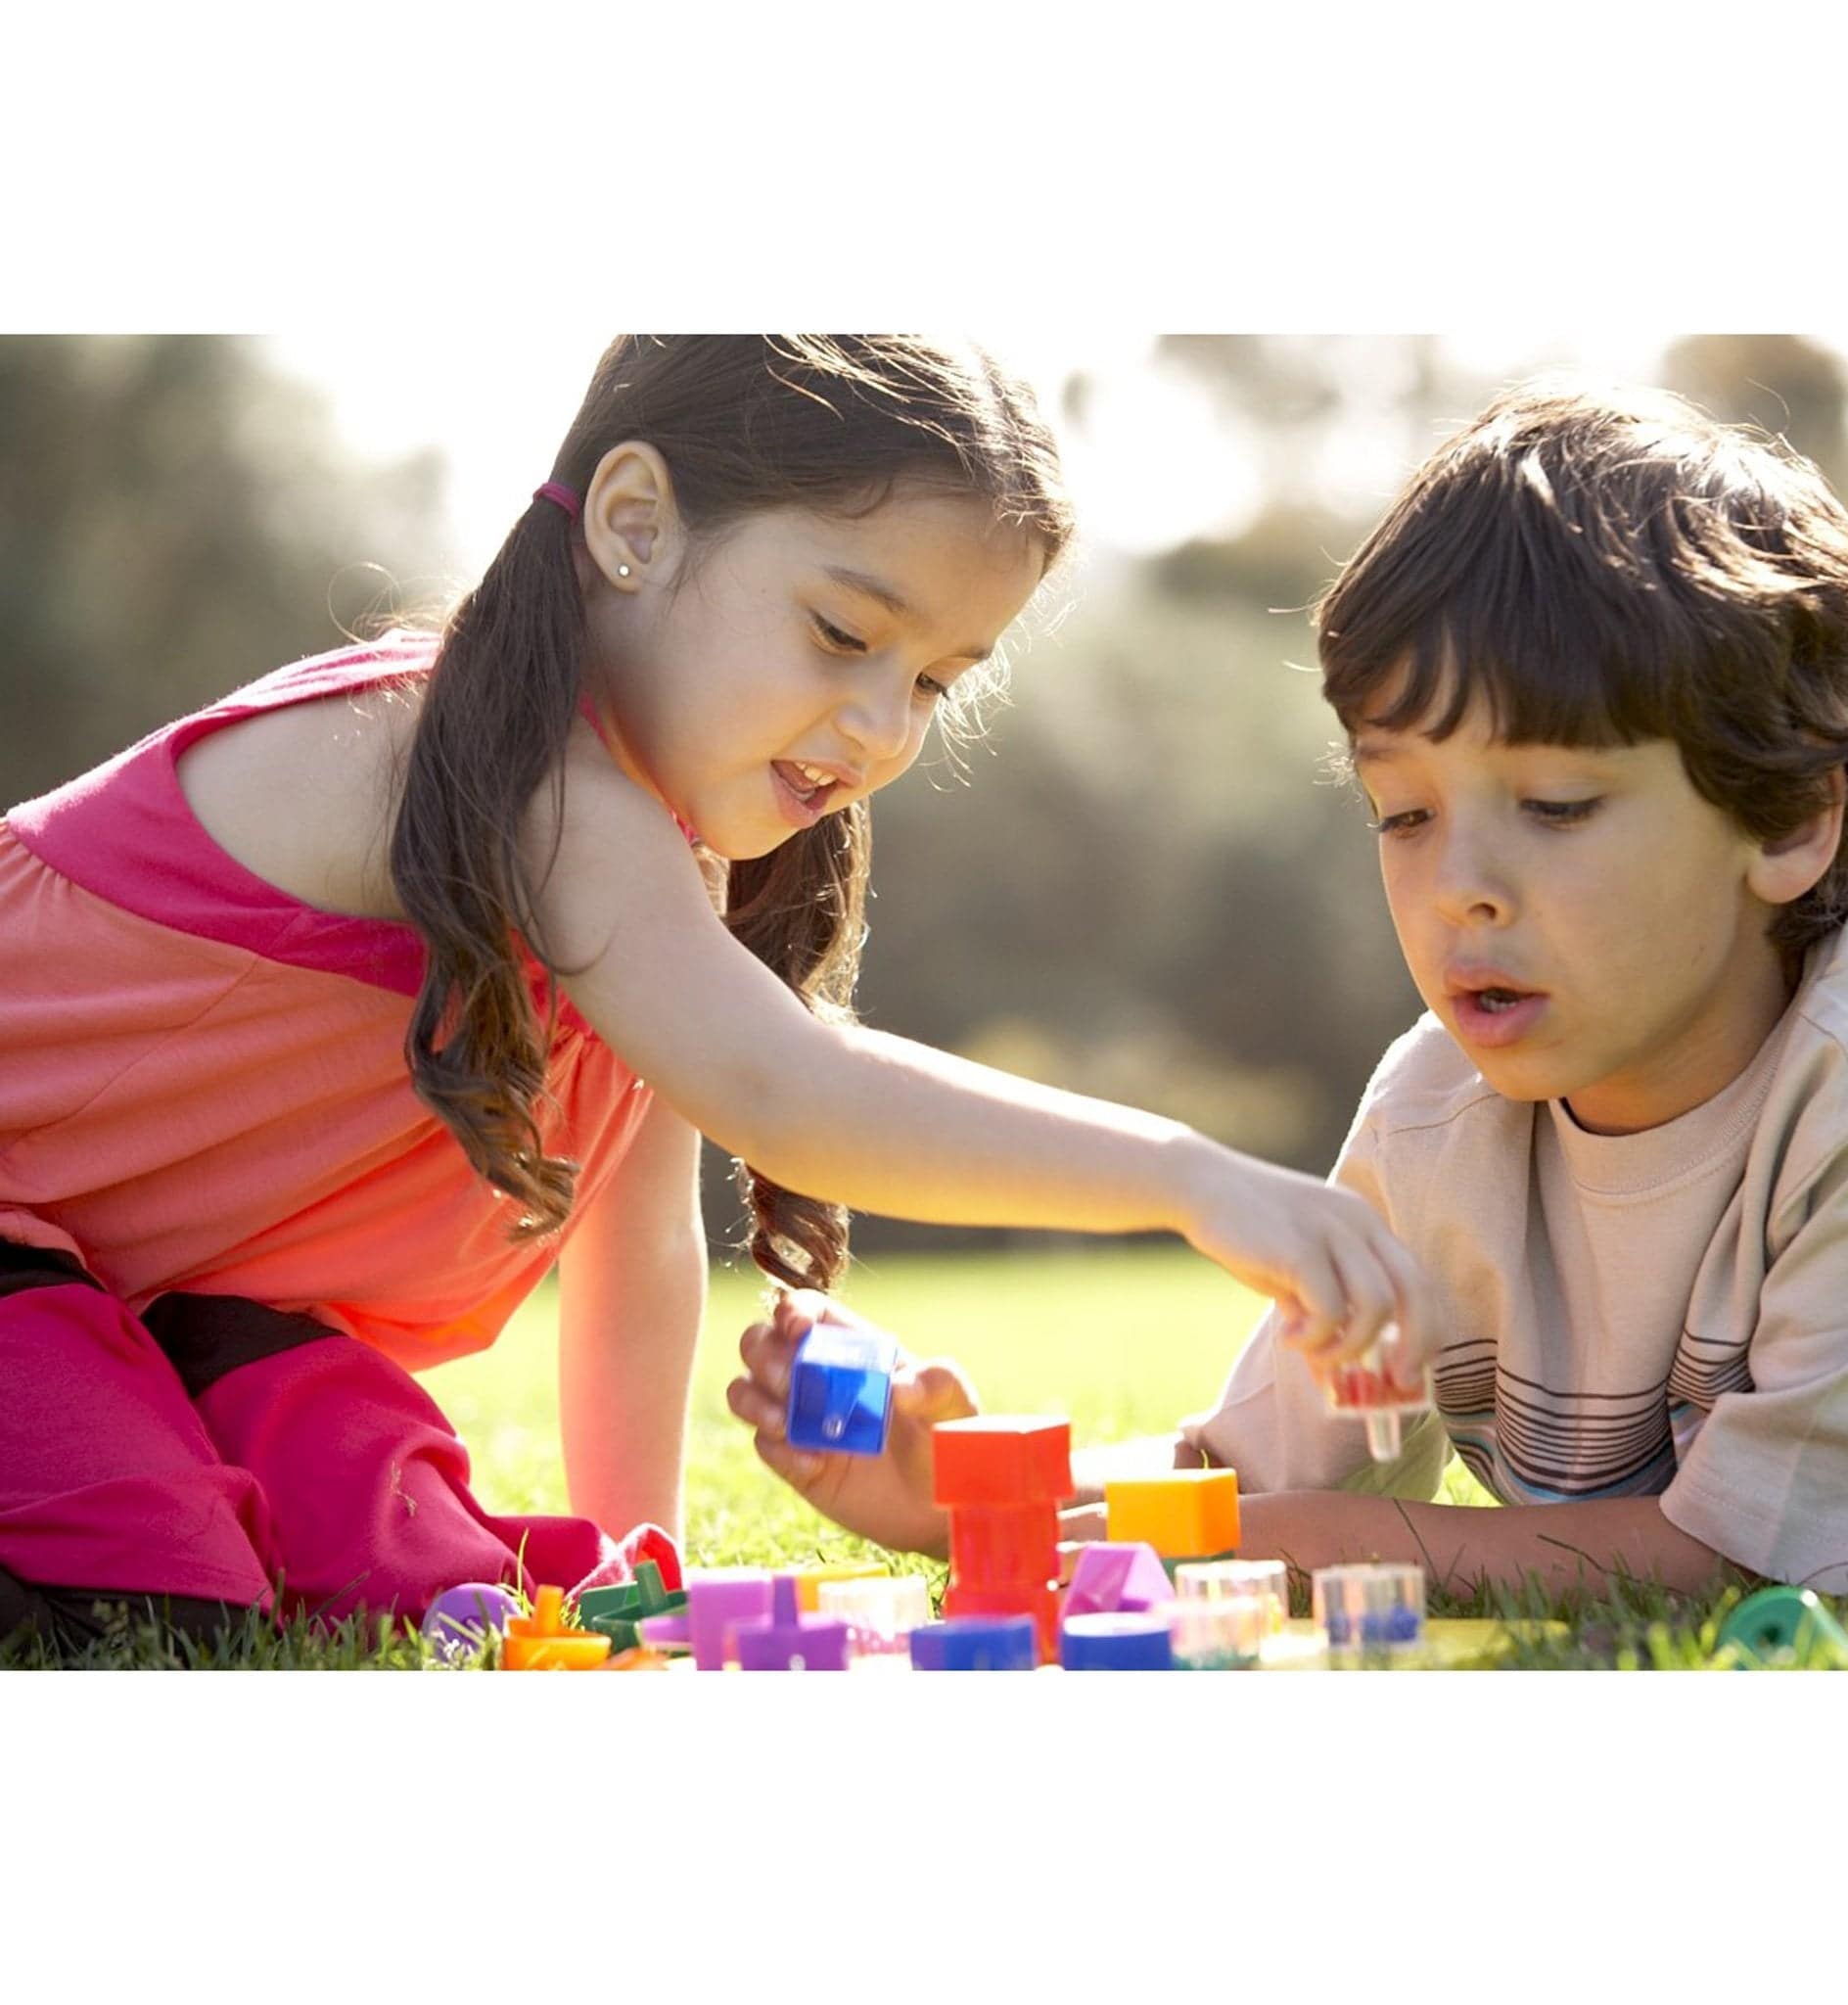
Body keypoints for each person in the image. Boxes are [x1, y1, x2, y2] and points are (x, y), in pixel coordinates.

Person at [0, 334, 1435, 1655]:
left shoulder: (659, 862)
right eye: (843, 635)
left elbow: (636, 1252)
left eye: (935, 681)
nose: (881, 728)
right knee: (148, 1596)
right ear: (634, 523)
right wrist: (1187, 1177)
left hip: (184, 1321)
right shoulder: (481, 761)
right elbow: (787, 1092)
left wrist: (653, 1579)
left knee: (430, 1575)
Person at [730, 381, 1848, 1608]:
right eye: (1405, 813)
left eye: (1556, 805)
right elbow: (1251, 1487)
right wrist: (967, 1496)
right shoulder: (1437, 1115)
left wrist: (1316, 1543)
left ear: (1786, 820)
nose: (1461, 889)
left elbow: (1786, 1568)